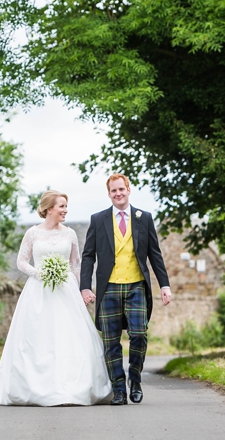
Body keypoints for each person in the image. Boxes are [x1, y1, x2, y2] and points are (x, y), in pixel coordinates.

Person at [0, 190, 112, 406]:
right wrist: (41, 273)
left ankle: (74, 387)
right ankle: (37, 387)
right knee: (38, 337)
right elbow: (21, 262)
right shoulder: (33, 233)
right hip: (39, 290)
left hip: (66, 291)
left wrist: (82, 289)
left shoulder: (70, 234)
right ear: (48, 209)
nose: (65, 210)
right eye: (62, 206)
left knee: (70, 337)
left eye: (66, 206)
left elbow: (75, 264)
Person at [80, 174, 171, 405]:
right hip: (108, 287)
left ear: (129, 190)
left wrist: (164, 284)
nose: (118, 194)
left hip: (136, 286)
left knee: (139, 333)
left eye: (121, 189)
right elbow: (88, 255)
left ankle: (136, 379)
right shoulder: (98, 219)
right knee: (110, 341)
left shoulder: (144, 218)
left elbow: (155, 254)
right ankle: (119, 389)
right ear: (109, 194)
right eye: (113, 191)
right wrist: (84, 287)